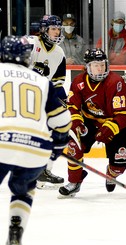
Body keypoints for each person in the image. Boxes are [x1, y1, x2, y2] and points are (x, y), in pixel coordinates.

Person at [0, 35, 71, 244]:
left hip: (2, 141)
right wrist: (56, 148)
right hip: (35, 149)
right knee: (23, 190)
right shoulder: (42, 81)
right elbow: (62, 121)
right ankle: (16, 228)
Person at [59, 48, 126, 197]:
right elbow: (72, 106)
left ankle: (111, 173)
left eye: (102, 64)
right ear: (87, 67)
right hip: (90, 121)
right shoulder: (79, 81)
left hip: (114, 123)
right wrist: (77, 123)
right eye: (95, 65)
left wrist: (109, 129)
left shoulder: (116, 82)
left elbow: (124, 114)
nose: (100, 68)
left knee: (119, 165)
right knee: (74, 143)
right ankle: (74, 182)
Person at [25, 14, 68, 188]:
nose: (57, 32)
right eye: (53, 29)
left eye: (59, 29)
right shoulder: (30, 43)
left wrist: (63, 100)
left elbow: (57, 82)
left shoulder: (59, 53)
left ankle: (40, 171)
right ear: (44, 30)